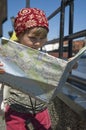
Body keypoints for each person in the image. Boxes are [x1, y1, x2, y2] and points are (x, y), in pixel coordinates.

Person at [0, 8, 52, 130]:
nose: (38, 43)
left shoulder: (44, 56)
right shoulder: (8, 55)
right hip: (16, 106)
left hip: (40, 106)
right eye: (33, 38)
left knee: (45, 127)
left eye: (42, 38)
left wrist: (69, 65)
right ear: (19, 34)